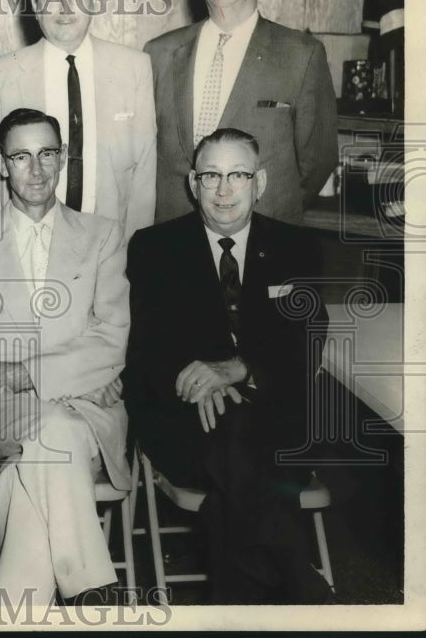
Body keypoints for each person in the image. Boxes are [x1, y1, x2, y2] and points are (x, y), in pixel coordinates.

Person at [123, 127, 333, 603]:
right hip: (187, 420)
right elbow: (146, 348)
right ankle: (298, 586)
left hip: (278, 423)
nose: (223, 191)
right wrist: (200, 382)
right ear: (192, 183)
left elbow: (307, 339)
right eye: (211, 176)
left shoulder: (296, 247)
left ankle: (252, 597)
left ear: (259, 181)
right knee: (236, 438)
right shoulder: (154, 248)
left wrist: (239, 368)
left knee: (239, 461)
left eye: (237, 175)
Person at [0, 107, 130, 606]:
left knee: (35, 463)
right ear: (1, 165)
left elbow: (113, 338)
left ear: (63, 157)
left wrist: (24, 371)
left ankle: (18, 611)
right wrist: (74, 371)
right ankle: (92, 588)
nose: (37, 169)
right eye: (21, 156)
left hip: (85, 415)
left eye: (48, 153)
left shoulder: (102, 236)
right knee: (53, 430)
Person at [146, 0, 337, 225]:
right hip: (175, 240)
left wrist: (265, 213)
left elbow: (318, 159)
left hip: (264, 236)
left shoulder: (301, 54)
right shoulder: (159, 53)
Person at [0, 0, 156, 241]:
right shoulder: (0, 75)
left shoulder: (134, 68)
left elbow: (144, 179)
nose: (65, 7)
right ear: (36, 4)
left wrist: (137, 258)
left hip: (109, 249)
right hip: (27, 247)